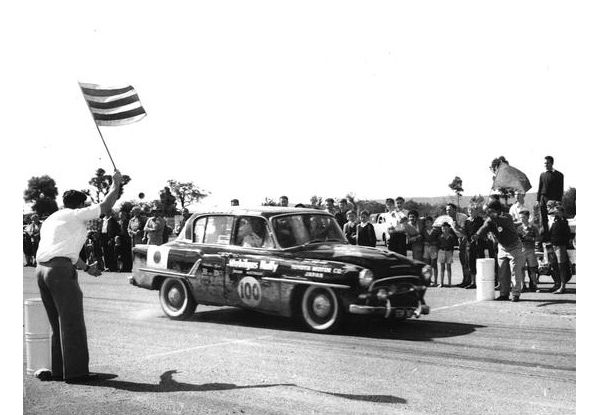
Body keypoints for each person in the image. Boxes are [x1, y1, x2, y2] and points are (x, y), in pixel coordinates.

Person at [34, 170, 122, 382]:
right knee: (72, 321)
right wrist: (115, 185)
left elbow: (64, 251)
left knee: (57, 323)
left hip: (42, 270)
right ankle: (77, 373)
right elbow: (106, 205)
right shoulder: (76, 214)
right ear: (81, 204)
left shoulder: (53, 218)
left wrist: (86, 268)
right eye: (85, 204)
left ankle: (59, 370)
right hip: (60, 272)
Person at [472, 200, 525, 302]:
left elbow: (501, 220)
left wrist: (492, 216)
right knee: (502, 272)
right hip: (502, 247)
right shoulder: (490, 220)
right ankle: (504, 294)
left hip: (515, 247)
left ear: (496, 210)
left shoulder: (507, 217)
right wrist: (477, 235)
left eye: (489, 210)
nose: (487, 212)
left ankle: (515, 294)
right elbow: (484, 228)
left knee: (515, 271)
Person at [537, 156, 564, 237]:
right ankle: (546, 238)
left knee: (554, 219)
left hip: (553, 200)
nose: (545, 165)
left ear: (552, 163)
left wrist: (559, 201)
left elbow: (560, 189)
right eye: (544, 163)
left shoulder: (559, 175)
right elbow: (540, 187)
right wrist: (537, 200)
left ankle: (555, 236)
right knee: (543, 220)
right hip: (543, 199)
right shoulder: (542, 175)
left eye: (547, 163)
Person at [548, 204, 571, 294]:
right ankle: (558, 283)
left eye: (558, 211)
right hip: (553, 246)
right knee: (554, 265)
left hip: (560, 246)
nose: (556, 213)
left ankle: (562, 286)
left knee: (562, 266)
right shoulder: (555, 221)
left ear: (562, 212)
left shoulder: (564, 222)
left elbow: (567, 235)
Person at [462, 204, 485, 289]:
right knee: (470, 263)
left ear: (476, 211)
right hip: (470, 244)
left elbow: (483, 231)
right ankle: (473, 282)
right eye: (469, 210)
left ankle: (481, 281)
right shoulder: (467, 221)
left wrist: (477, 236)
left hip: (479, 244)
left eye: (472, 210)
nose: (470, 212)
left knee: (480, 262)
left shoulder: (480, 220)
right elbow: (465, 232)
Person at [517, 210, 539, 292]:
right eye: (521, 217)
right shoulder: (519, 228)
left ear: (528, 217)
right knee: (521, 268)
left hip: (531, 250)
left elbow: (538, 238)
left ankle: (534, 285)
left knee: (532, 269)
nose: (522, 219)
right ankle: (523, 286)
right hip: (522, 250)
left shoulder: (533, 228)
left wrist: (529, 238)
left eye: (523, 217)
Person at [421, 216, 439, 285]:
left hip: (433, 248)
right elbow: (421, 240)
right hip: (426, 248)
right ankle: (428, 281)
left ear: (432, 222)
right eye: (426, 222)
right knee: (427, 265)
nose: (427, 223)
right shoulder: (423, 230)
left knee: (434, 265)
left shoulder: (436, 230)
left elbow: (439, 240)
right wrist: (424, 242)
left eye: (429, 222)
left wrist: (434, 243)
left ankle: (436, 281)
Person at [437, 222, 457, 287]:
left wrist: (451, 252)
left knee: (449, 267)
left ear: (449, 229)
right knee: (442, 267)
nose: (445, 230)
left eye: (446, 228)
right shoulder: (440, 236)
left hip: (449, 252)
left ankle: (449, 283)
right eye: (443, 229)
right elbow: (438, 245)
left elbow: (453, 245)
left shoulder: (451, 236)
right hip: (441, 251)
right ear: (441, 229)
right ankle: (441, 283)